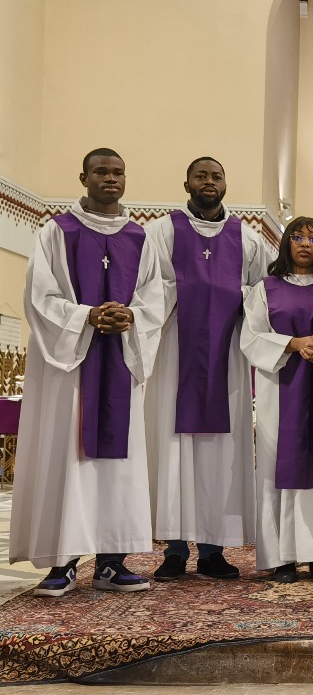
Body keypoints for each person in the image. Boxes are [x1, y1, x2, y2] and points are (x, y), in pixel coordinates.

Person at [10, 148, 164, 596]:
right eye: (101, 171)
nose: (110, 178)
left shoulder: (141, 237)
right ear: (84, 177)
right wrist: (87, 317)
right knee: (70, 460)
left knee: (119, 464)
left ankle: (112, 562)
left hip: (121, 360)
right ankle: (64, 562)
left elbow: (156, 297)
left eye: (118, 171)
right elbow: (40, 296)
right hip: (72, 369)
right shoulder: (57, 232)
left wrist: (132, 317)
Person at [146, 157, 273, 583]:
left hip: (227, 361)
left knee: (221, 455)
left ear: (225, 183)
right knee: (175, 451)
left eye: (216, 176)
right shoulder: (162, 232)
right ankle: (175, 550)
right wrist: (194, 291)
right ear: (186, 182)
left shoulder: (248, 238)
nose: (209, 182)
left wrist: (233, 296)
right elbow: (149, 289)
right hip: (176, 357)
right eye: (201, 175)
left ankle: (213, 550)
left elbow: (265, 292)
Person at [241, 217, 313, 583]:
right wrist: (293, 343)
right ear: (286, 243)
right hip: (281, 388)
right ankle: (282, 557)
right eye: (298, 237)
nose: (305, 244)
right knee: (277, 466)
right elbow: (251, 337)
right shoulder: (265, 288)